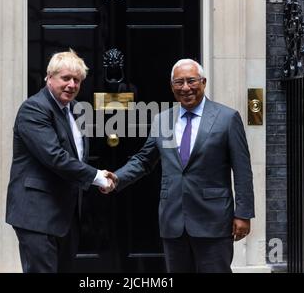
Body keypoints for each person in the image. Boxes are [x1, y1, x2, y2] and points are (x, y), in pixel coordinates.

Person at [106, 59, 255, 273]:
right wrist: (117, 178)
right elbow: (144, 160)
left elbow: (242, 170)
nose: (185, 88)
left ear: (203, 82)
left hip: (213, 221)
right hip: (173, 221)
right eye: (179, 82)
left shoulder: (227, 118)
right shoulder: (162, 120)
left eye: (191, 81)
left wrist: (243, 214)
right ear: (172, 86)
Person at [5, 49, 115, 273]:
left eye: (77, 80)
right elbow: (55, 156)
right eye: (66, 78)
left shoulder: (75, 110)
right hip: (37, 214)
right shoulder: (34, 109)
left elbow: (76, 156)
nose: (72, 85)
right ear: (49, 77)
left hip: (66, 214)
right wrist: (95, 177)